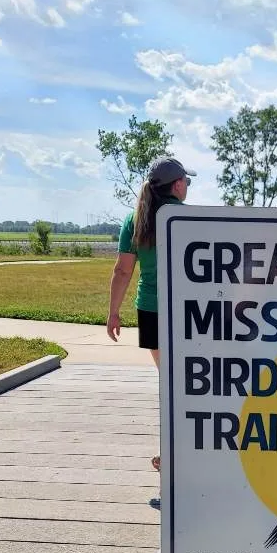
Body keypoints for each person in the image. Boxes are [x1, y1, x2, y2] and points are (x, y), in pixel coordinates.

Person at [106, 157, 196, 472]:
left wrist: (113, 312)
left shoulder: (135, 219)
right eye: (187, 181)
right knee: (188, 383)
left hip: (151, 309)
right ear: (178, 185)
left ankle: (171, 449)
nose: (188, 186)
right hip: (188, 312)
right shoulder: (189, 218)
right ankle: (182, 449)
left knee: (169, 381)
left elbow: (122, 271)